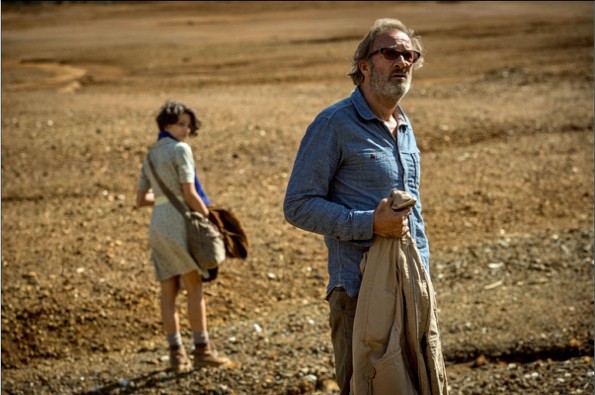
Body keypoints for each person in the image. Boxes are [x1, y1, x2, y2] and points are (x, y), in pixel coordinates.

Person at [283, 18, 429, 394]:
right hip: (358, 291)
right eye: (390, 52)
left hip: (411, 288)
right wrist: (370, 224)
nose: (403, 61)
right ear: (364, 65)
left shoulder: (404, 126)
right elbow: (298, 205)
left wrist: (425, 275)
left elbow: (416, 214)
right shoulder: (334, 124)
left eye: (409, 54)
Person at [136, 101, 230, 373]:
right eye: (181, 124)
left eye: (189, 125)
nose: (187, 130)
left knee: (168, 292)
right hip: (180, 224)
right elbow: (190, 194)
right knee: (194, 287)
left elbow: (141, 200)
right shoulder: (181, 150)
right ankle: (203, 351)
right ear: (167, 125)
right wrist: (210, 218)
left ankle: (176, 355)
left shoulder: (150, 154)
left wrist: (165, 198)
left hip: (158, 225)